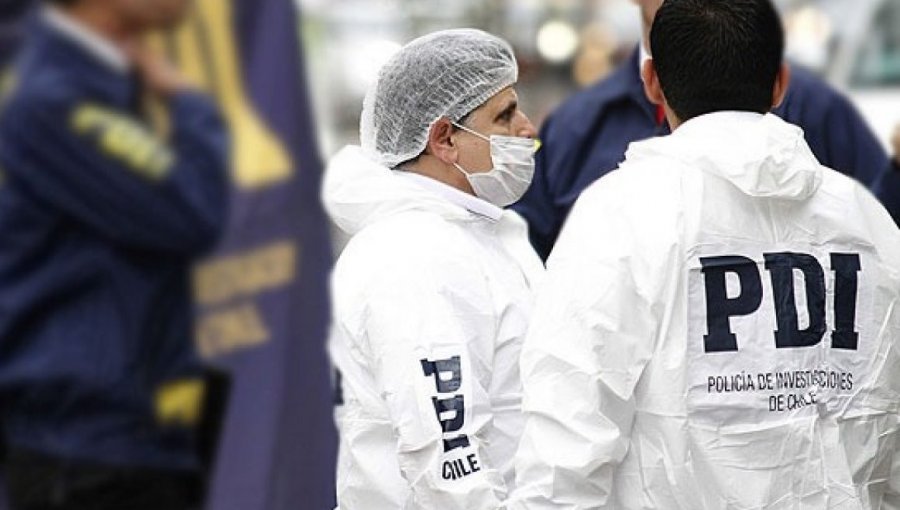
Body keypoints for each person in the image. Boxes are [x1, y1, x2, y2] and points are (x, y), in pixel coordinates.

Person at [509, 0, 900, 508]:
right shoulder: (863, 220)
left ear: (652, 82)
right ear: (780, 84)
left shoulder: (619, 215)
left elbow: (565, 444)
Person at [0, 0, 230, 508]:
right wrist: (191, 104)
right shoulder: (58, 98)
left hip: (120, 442)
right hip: (91, 452)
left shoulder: (96, 85)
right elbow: (192, 213)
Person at [323, 29, 543, 509]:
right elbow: (444, 454)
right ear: (444, 139)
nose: (528, 128)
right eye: (505, 115)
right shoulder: (413, 254)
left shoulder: (479, 235)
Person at [514, 0, 899, 261]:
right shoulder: (574, 129)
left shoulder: (817, 111)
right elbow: (528, 271)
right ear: (653, 82)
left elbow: (877, 244)